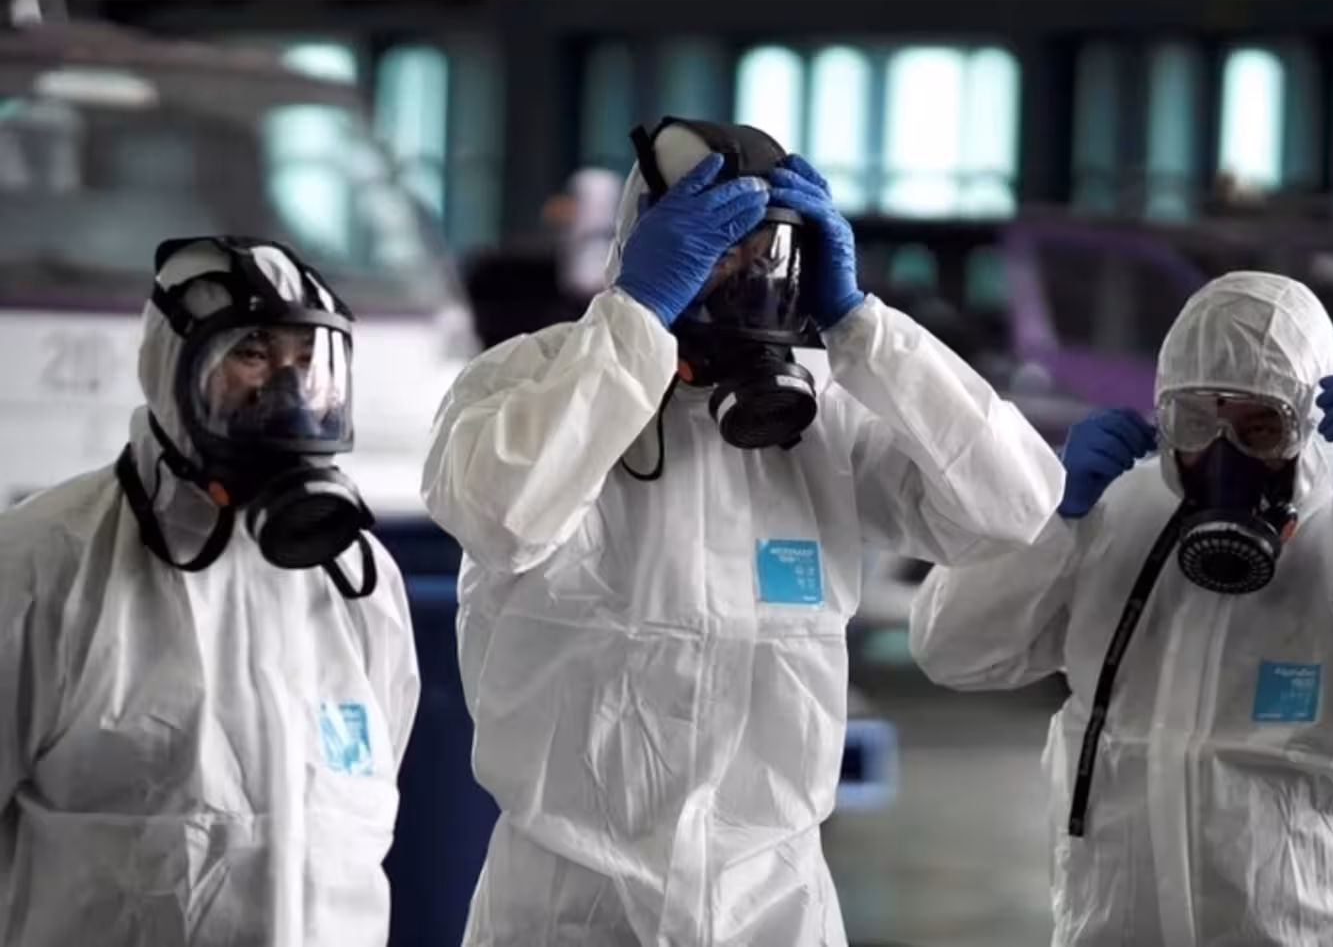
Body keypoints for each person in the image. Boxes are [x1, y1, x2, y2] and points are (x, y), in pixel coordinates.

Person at [422, 116, 1064, 946]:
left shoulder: (823, 415)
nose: (746, 276)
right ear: (648, 240)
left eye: (768, 252)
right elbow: (499, 517)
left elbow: (1015, 506)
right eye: (717, 247)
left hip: (772, 910)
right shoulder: (528, 378)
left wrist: (862, 326)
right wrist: (636, 319)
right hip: (567, 913)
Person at [910, 270, 1333, 946]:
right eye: (1195, 421)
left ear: (1309, 425)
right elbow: (949, 651)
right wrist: (1050, 518)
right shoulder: (1112, 515)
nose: (1223, 455)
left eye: (1260, 427)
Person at [0, 236, 420, 946]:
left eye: (309, 361)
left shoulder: (356, 582)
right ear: (172, 368)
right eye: (252, 354)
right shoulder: (45, 563)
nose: (288, 393)